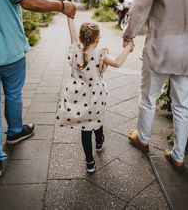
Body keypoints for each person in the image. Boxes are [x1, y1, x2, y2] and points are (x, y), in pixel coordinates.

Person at [0, 0, 76, 176]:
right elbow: (27, 0)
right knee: (12, 93)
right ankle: (14, 132)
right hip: (8, 49)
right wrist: (61, 5)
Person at [123, 0, 188, 171]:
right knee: (182, 107)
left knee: (148, 97)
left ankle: (143, 139)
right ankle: (178, 156)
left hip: (161, 50)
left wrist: (128, 36)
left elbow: (138, 10)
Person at [57, 16, 134, 173]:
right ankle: (99, 142)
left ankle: (90, 162)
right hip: (96, 96)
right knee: (97, 120)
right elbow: (118, 62)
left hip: (79, 96)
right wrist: (128, 48)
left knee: (85, 129)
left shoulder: (75, 49)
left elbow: (72, 31)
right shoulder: (100, 54)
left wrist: (69, 17)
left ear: (80, 37)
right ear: (98, 39)